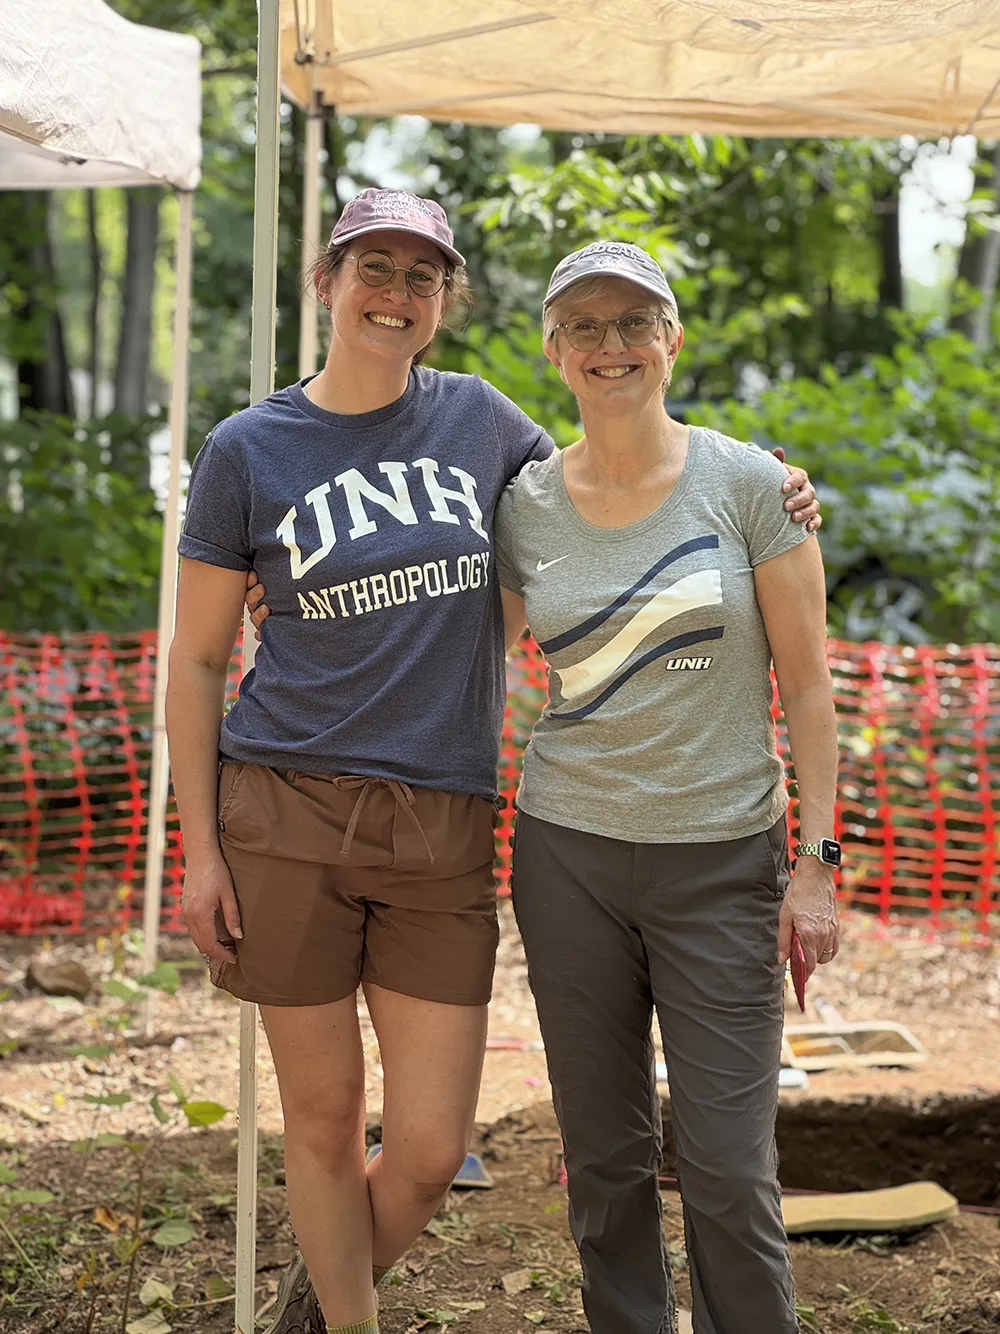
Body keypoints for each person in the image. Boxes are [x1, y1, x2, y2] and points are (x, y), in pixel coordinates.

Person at [173, 188, 819, 1334]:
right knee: (359, 1127)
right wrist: (200, 847)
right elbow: (198, 657)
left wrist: (773, 481)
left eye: (422, 276)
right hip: (319, 808)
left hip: (466, 824)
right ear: (325, 282)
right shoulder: (255, 449)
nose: (396, 292)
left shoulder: (485, 426)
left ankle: (319, 1303)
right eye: (373, 267)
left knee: (434, 1151)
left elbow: (627, 456)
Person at [493, 241, 840, 1334]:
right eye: (585, 327)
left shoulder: (749, 483)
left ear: (671, 340)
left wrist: (816, 868)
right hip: (567, 857)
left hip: (723, 860)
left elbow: (810, 684)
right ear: (554, 351)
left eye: (633, 322)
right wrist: (291, 613)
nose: (611, 345)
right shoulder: (524, 506)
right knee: (603, 1161)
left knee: (730, 1170)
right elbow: (465, 648)